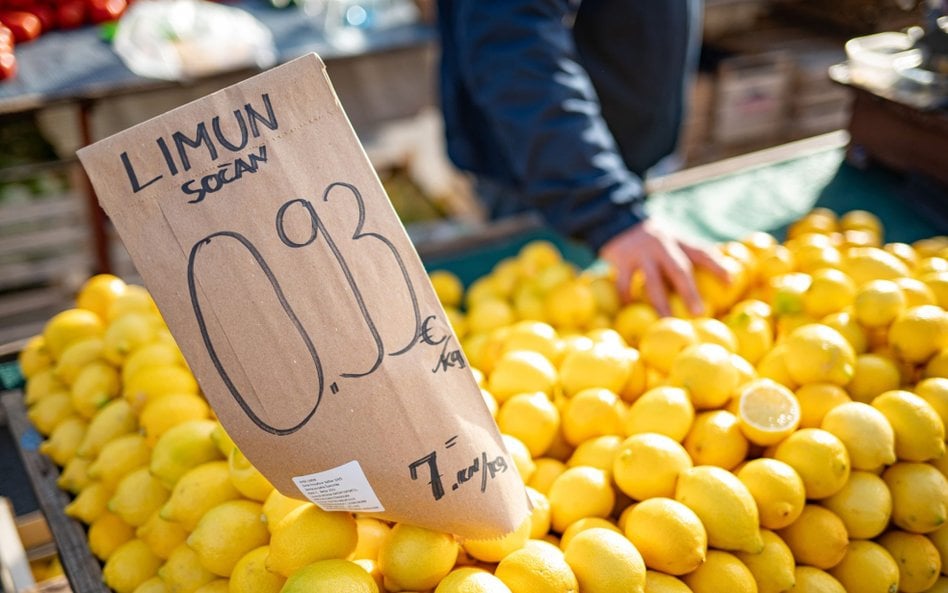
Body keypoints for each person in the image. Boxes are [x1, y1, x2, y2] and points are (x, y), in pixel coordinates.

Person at [434, 0, 729, 316]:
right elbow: (512, 42)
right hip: (552, 178)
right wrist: (604, 207)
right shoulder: (597, 201)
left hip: (611, 175)